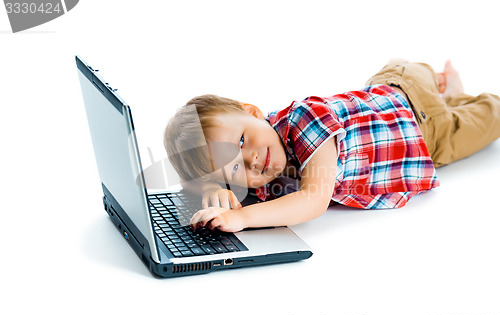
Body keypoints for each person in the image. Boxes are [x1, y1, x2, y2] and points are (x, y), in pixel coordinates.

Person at [163, 59, 500, 232]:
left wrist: (242, 219)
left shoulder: (305, 121)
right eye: (234, 167)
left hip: (422, 125)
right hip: (387, 97)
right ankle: (454, 93)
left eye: (240, 140)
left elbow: (313, 201)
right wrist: (211, 187)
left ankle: (454, 96)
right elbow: (187, 180)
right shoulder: (259, 177)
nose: (251, 160)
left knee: (490, 119)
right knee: (458, 106)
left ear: (252, 112)